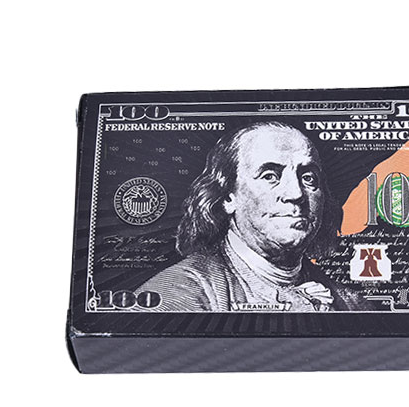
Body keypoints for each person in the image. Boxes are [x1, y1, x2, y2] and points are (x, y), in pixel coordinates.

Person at [138, 122, 361, 312]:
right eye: (270, 176)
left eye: (308, 178)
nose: (296, 194)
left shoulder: (352, 304)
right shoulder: (178, 294)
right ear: (228, 197)